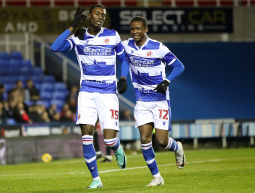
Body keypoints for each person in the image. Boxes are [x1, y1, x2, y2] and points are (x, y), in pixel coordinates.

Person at [51, 5, 129, 189]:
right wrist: (73, 26)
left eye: (103, 14)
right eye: (97, 13)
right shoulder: (79, 37)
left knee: (109, 140)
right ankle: (96, 179)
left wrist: (124, 78)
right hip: (86, 92)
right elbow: (55, 47)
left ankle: (116, 148)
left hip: (108, 92)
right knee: (87, 136)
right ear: (89, 16)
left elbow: (124, 59)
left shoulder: (112, 35)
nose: (101, 16)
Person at [121, 16, 186, 186]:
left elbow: (179, 66)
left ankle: (177, 148)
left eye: (138, 29)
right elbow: (109, 45)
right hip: (142, 100)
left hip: (160, 100)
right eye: (132, 29)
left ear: (145, 29)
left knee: (162, 142)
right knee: (144, 139)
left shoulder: (158, 48)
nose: (134, 32)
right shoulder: (126, 45)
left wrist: (167, 81)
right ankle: (157, 177)